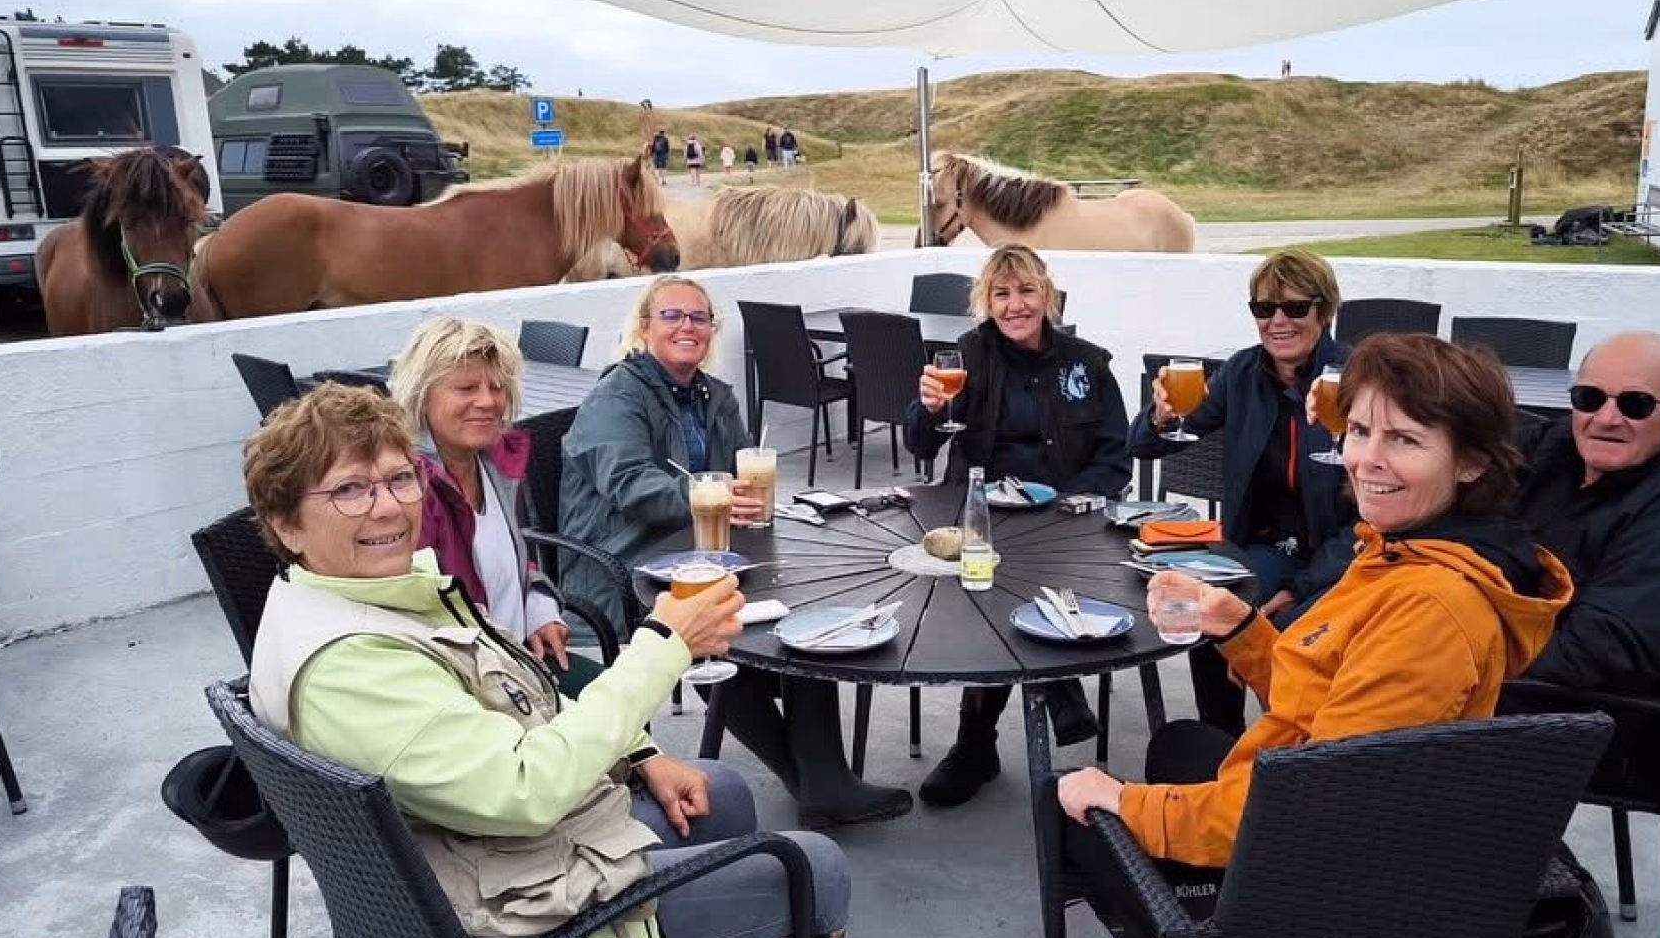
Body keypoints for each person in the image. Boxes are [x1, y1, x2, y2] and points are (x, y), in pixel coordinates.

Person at [241, 383, 886, 938]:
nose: (390, 505)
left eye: (399, 477)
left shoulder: (346, 601)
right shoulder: (353, 666)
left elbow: (516, 701)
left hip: (479, 874)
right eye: (351, 490)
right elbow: (524, 790)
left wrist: (639, 753)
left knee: (718, 793)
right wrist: (661, 644)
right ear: (285, 524)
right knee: (814, 870)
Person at [1056, 335, 1571, 938]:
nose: (1366, 458)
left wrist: (1128, 803)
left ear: (1472, 461)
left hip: (1317, 899)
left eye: (1404, 439)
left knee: (1068, 805)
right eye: (1360, 430)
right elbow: (1335, 706)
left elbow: (1307, 812)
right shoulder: (1409, 549)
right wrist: (1241, 627)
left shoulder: (1431, 609)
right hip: (1348, 837)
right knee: (1181, 744)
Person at [559, 276, 913, 826]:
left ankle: (822, 781)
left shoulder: (713, 395)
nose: (687, 327)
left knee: (804, 610)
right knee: (735, 634)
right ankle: (818, 783)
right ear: (644, 326)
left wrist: (745, 501)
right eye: (672, 316)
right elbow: (628, 481)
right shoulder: (618, 396)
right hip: (628, 566)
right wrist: (710, 494)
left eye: (699, 318)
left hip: (707, 554)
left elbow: (739, 471)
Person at [903, 244, 1132, 807]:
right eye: (1001, 294)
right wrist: (927, 410)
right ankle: (1054, 694)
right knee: (992, 577)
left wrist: (1076, 501)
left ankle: (975, 744)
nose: (1015, 305)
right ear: (987, 302)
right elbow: (920, 444)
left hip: (1063, 522)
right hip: (979, 516)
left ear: (1046, 296)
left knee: (1012, 580)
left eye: (1026, 291)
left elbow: (1116, 458)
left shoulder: (1087, 363)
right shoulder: (966, 356)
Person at [1125, 249, 1356, 732]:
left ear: (1324, 311)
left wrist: (1302, 588)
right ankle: (1221, 742)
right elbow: (1145, 447)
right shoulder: (1243, 373)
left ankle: (1300, 747)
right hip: (1267, 547)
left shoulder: (1356, 380)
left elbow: (1372, 519)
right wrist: (1162, 416)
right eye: (1263, 309)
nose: (1278, 321)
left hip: (1342, 559)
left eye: (1295, 308)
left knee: (1299, 635)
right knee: (1200, 611)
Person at [1513, 331, 1660, 692]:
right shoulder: (1559, 448)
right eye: (1588, 398)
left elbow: (1596, 655)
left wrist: (1459, 652)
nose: (1605, 418)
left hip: (1558, 720)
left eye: (1635, 404)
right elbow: (1468, 468)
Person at [388, 317, 588, 690]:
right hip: (470, 686)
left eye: (497, 387)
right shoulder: (406, 492)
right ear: (421, 395)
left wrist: (540, 609)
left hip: (519, 658)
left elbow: (514, 561)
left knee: (628, 712)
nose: (487, 401)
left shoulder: (495, 463)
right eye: (465, 388)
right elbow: (417, 618)